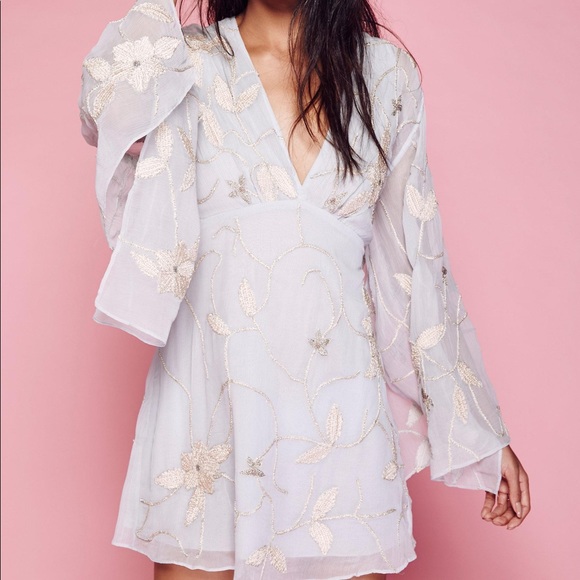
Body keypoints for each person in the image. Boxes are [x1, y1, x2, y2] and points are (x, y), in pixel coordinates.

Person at [78, 0, 531, 578]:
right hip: (208, 415)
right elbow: (100, 104)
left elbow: (415, 270)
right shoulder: (184, 63)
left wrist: (480, 431)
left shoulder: (385, 76)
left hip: (340, 422)